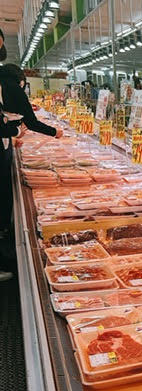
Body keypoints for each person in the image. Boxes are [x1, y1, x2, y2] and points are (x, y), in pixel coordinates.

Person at [0, 64, 61, 281]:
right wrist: (55, 132)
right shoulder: (10, 87)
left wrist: (11, 136)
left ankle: (4, 244)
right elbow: (30, 122)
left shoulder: (4, 90)